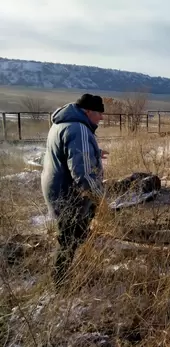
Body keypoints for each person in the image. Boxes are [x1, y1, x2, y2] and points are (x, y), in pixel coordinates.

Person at [41, 93, 108, 288]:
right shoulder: (79, 129)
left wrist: (95, 152)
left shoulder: (62, 123)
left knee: (74, 233)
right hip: (68, 193)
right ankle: (61, 286)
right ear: (87, 112)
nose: (101, 118)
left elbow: (67, 152)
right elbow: (83, 175)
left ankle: (74, 271)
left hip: (56, 187)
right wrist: (100, 198)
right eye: (99, 113)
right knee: (69, 239)